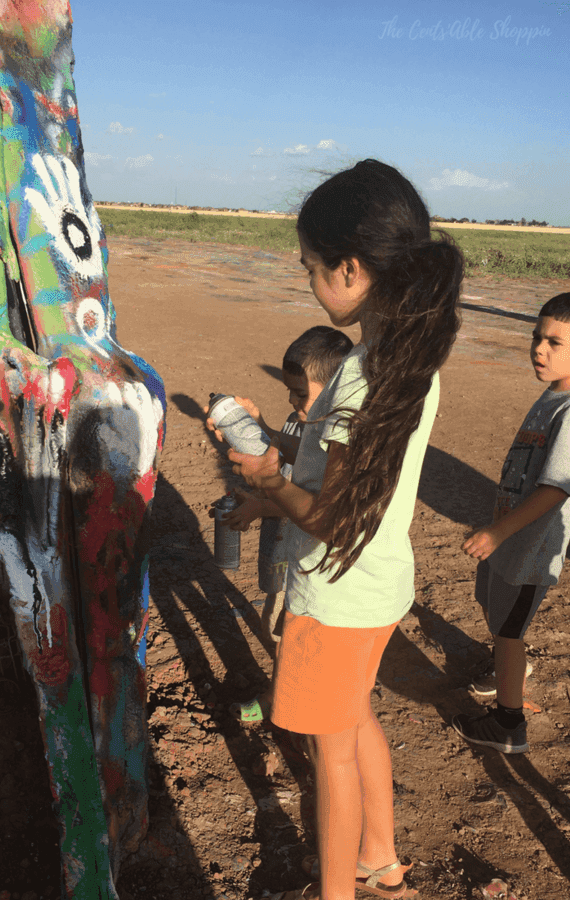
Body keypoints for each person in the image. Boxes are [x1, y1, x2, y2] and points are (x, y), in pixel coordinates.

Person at [207, 159, 463, 900]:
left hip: (337, 593)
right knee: (354, 723)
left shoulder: (361, 373)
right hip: (379, 586)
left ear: (352, 268)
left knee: (332, 756)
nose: (309, 282)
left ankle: (338, 891)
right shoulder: (406, 356)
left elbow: (334, 514)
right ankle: (378, 858)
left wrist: (268, 482)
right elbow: (344, 473)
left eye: (312, 268)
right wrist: (280, 449)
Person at [452, 292, 570, 755]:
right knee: (495, 607)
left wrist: (499, 531)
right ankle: (506, 666)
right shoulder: (553, 394)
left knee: (508, 629)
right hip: (510, 538)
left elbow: (556, 487)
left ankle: (508, 723)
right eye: (537, 338)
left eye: (555, 342)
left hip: (530, 548)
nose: (539, 349)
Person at [223, 326, 354, 723]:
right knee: (278, 628)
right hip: (290, 550)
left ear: (335, 389)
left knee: (287, 634)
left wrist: (262, 504)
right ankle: (285, 694)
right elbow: (282, 451)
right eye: (290, 393)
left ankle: (283, 698)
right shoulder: (303, 423)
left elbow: (313, 505)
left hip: (309, 563)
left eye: (302, 393)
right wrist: (257, 426)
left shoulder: (340, 439)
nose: (295, 402)